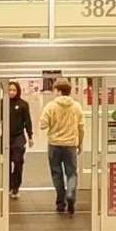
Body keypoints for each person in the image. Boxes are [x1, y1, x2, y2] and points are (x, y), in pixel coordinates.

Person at [40, 80, 84, 215]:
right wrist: (80, 143)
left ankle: (61, 202)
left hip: (54, 144)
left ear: (59, 91)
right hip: (70, 145)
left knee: (56, 174)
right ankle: (70, 194)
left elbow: (43, 124)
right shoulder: (77, 107)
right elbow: (81, 127)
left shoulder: (50, 106)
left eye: (55, 90)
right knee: (71, 173)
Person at [4, 80, 34, 197]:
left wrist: (30, 136)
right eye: (10, 90)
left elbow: (27, 121)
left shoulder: (23, 104)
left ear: (18, 91)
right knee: (6, 163)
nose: (12, 92)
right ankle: (9, 185)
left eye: (14, 90)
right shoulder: (3, 103)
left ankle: (16, 187)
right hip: (6, 138)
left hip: (19, 138)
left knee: (17, 162)